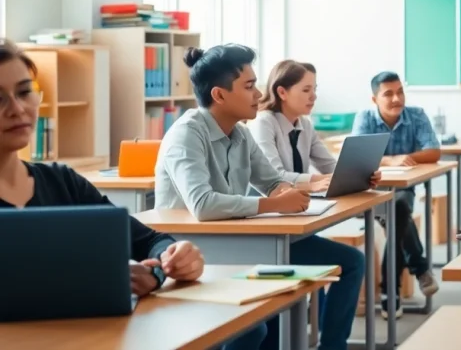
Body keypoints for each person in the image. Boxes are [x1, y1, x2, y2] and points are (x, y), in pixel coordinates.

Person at [154, 44, 366, 350]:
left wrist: (285, 192)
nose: (258, 94)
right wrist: (274, 203)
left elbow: (272, 181)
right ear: (219, 95)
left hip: (242, 242)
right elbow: (203, 205)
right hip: (197, 254)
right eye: (249, 86)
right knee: (260, 322)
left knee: (342, 265)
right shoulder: (186, 134)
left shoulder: (240, 134)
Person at [0, 39, 204, 298]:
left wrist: (168, 263)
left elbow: (150, 241)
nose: (17, 109)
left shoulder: (64, 183)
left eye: (24, 92)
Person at [350, 71, 440, 319]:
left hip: (402, 190)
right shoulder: (365, 118)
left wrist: (405, 158)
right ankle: (419, 267)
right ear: (374, 99)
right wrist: (391, 160)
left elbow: (433, 151)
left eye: (400, 92)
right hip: (369, 190)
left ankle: (390, 291)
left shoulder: (416, 115)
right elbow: (357, 156)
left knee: (398, 209)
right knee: (398, 214)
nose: (396, 98)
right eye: (388, 94)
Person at [249, 60, 357, 192]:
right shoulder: (263, 122)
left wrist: (356, 176)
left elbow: (329, 165)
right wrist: (320, 180)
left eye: (314, 89)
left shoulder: (305, 124)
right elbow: (275, 176)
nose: (314, 96)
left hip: (298, 198)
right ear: (282, 92)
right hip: (268, 200)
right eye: (306, 90)